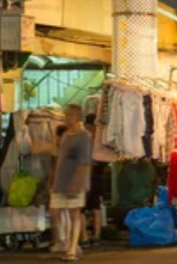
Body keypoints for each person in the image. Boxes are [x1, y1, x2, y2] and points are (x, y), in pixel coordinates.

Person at [50, 104, 92, 261]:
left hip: (76, 181)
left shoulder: (84, 136)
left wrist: (77, 183)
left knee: (74, 214)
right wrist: (53, 179)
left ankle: (72, 249)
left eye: (69, 115)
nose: (66, 117)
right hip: (61, 181)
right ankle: (65, 243)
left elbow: (84, 162)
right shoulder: (66, 135)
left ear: (77, 117)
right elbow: (58, 159)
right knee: (55, 212)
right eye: (66, 114)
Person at [80, 114, 105, 248]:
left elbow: (87, 162)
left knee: (81, 209)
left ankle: (84, 237)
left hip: (87, 176)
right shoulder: (100, 139)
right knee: (96, 207)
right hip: (99, 176)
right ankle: (97, 236)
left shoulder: (85, 139)